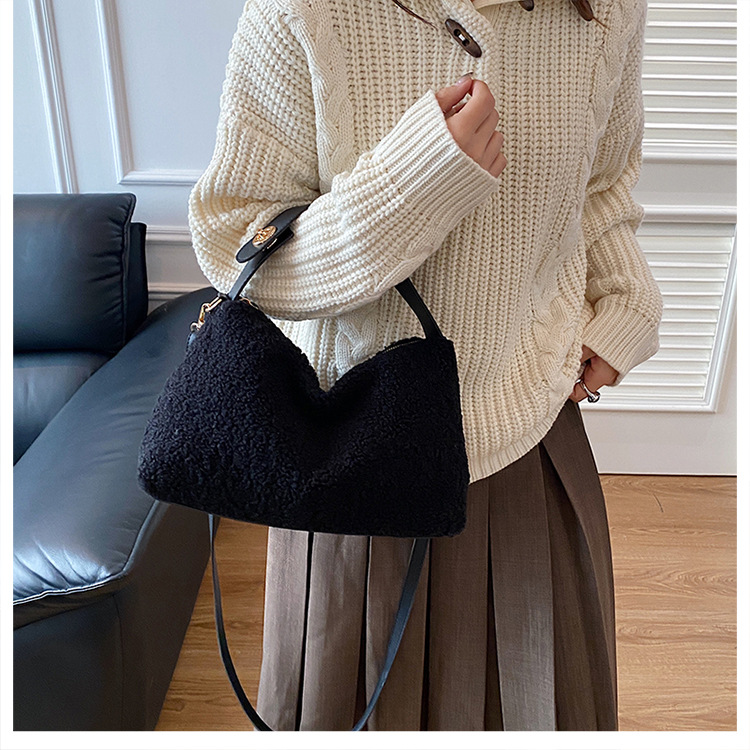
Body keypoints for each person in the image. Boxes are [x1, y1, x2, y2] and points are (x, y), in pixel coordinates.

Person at [187, 0, 663, 731]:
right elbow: (235, 245)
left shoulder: (609, 10)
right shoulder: (306, 11)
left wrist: (626, 296)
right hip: (349, 456)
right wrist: (410, 188)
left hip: (527, 439)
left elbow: (599, 189)